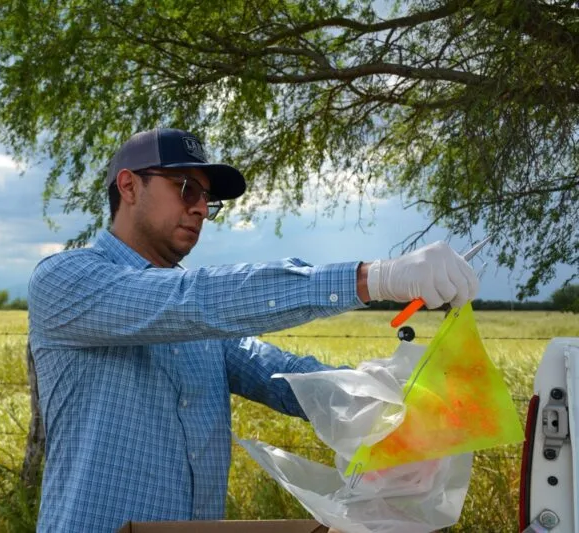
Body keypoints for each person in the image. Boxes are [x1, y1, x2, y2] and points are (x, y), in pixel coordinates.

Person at [27, 128, 479, 532]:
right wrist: (373, 278)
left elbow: (278, 375)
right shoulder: (67, 280)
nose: (201, 209)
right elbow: (190, 301)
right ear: (129, 185)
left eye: (208, 199)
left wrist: (381, 403)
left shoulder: (198, 320)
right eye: (186, 189)